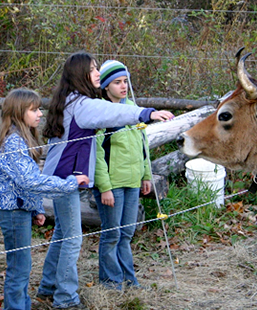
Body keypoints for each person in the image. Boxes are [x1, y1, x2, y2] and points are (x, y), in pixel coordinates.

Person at [37, 52, 174, 309]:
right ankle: (65, 299)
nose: (97, 72)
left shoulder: (72, 100)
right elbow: (111, 112)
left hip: (66, 178)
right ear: (80, 75)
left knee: (62, 234)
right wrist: (146, 114)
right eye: (92, 69)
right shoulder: (82, 105)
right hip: (67, 179)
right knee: (72, 239)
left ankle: (47, 288)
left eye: (97, 67)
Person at [0, 88, 90, 310]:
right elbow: (31, 181)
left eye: (39, 109)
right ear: (18, 112)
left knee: (21, 266)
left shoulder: (22, 138)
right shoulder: (15, 142)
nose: (40, 114)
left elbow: (23, 182)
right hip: (12, 211)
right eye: (34, 110)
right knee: (19, 267)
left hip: (19, 208)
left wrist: (35, 208)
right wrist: (70, 183)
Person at [93, 60, 173, 290]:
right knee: (112, 235)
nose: (123, 86)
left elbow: (143, 145)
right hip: (112, 185)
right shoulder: (101, 113)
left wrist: (145, 176)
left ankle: (129, 280)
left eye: (125, 81)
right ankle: (111, 283)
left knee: (126, 233)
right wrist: (104, 187)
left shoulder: (132, 109)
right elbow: (97, 154)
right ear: (106, 86)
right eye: (117, 82)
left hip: (133, 182)